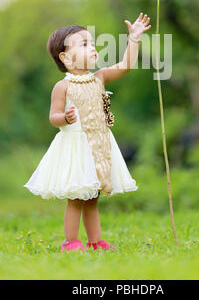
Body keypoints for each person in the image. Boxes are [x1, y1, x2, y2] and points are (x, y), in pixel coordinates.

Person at [24, 13, 151, 253]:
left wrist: (133, 39)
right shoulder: (62, 86)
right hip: (76, 145)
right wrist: (64, 118)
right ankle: (70, 241)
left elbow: (125, 66)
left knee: (93, 196)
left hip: (98, 144)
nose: (92, 48)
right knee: (76, 197)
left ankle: (95, 240)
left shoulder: (99, 78)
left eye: (92, 43)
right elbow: (53, 117)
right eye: (84, 44)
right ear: (65, 56)